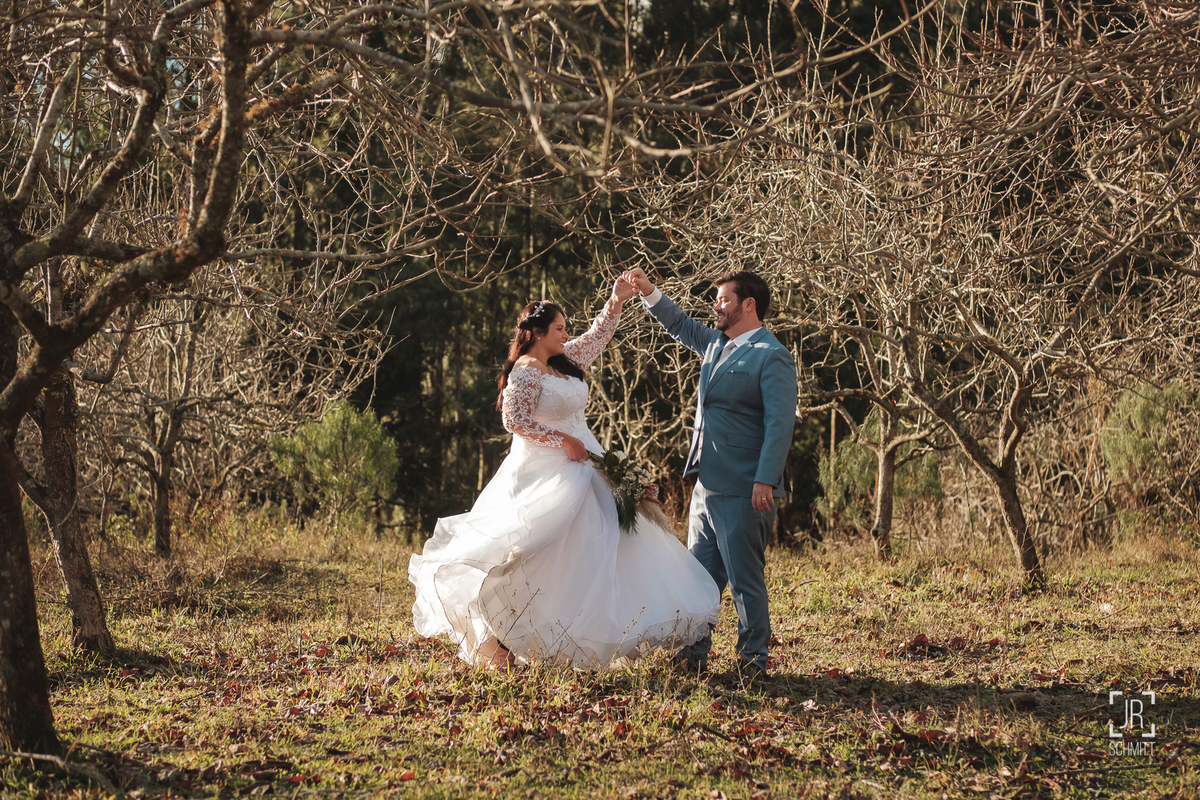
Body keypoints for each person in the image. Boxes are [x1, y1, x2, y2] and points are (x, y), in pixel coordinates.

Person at [408, 279, 720, 670]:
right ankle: (500, 636)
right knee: (542, 549)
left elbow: (597, 337)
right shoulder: (525, 371)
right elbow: (514, 420)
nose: (566, 334)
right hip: (547, 470)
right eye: (559, 329)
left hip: (586, 462)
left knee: (598, 548)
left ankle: (583, 628)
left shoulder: (562, 360)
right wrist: (563, 440)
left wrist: (616, 301)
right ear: (538, 333)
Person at [622, 268, 797, 678]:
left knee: (744, 581)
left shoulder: (772, 355)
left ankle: (752, 662)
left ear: (748, 305)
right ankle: (692, 656)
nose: (716, 305)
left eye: (723, 299)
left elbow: (780, 423)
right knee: (698, 578)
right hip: (706, 485)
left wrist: (765, 479)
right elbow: (680, 325)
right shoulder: (717, 343)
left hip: (746, 488)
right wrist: (648, 291)